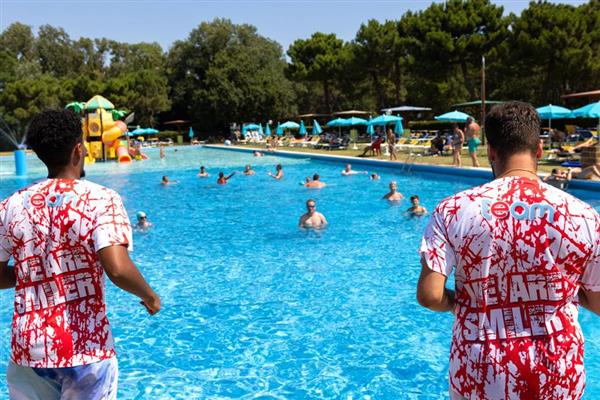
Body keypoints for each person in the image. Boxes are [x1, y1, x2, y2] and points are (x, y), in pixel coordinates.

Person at [417, 101, 600, 400]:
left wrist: (457, 303)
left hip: (478, 374)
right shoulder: (583, 215)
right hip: (557, 374)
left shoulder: (453, 209)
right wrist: (563, 288)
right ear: (539, 149)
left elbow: (429, 295)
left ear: (491, 151)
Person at [0, 110, 160, 399]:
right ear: (78, 150)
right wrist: (149, 296)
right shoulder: (102, 199)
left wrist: (35, 272)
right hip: (86, 348)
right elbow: (117, 268)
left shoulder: (11, 205)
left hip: (29, 348)